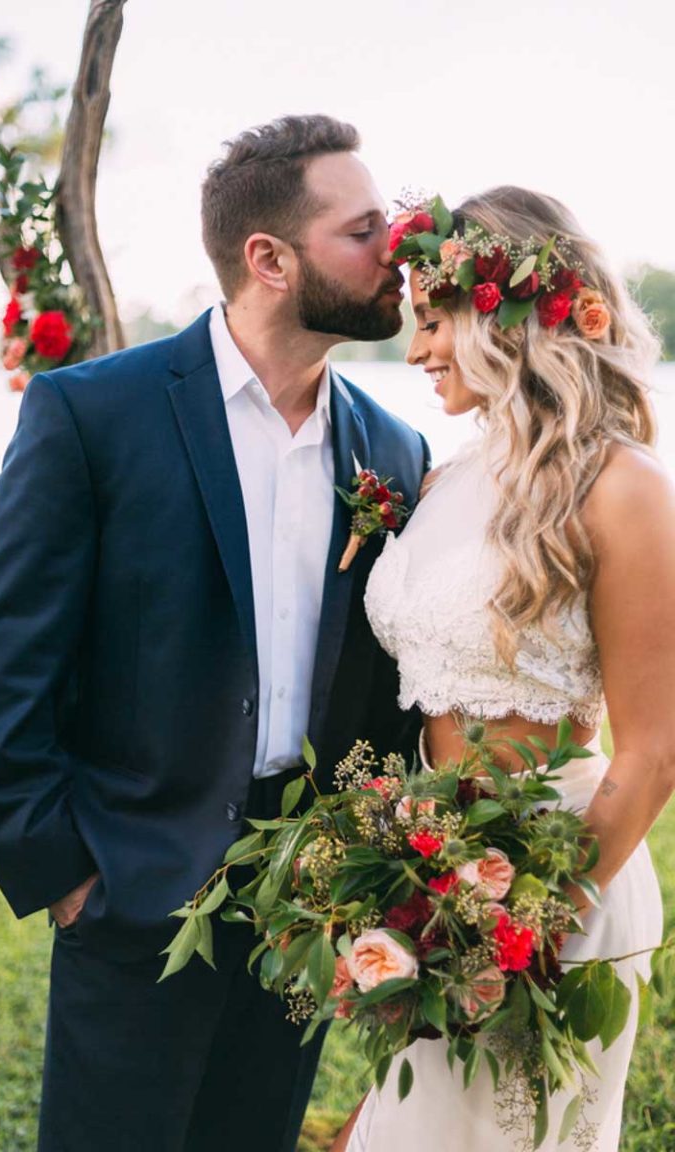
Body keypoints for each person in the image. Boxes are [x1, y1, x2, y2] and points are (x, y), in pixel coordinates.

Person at [0, 114, 430, 1152]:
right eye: (363, 232)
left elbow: (387, 691)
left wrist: (365, 876)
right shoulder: (91, 414)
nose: (398, 251)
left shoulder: (392, 449)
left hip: (306, 900)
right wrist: (67, 877)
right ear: (269, 258)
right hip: (128, 883)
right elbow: (1, 669)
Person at [334, 185, 673, 1151]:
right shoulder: (443, 479)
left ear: (507, 314)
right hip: (432, 888)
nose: (415, 348)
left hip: (565, 882)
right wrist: (403, 887)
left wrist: (520, 936)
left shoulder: (624, 487)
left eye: (434, 319)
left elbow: (654, 753)